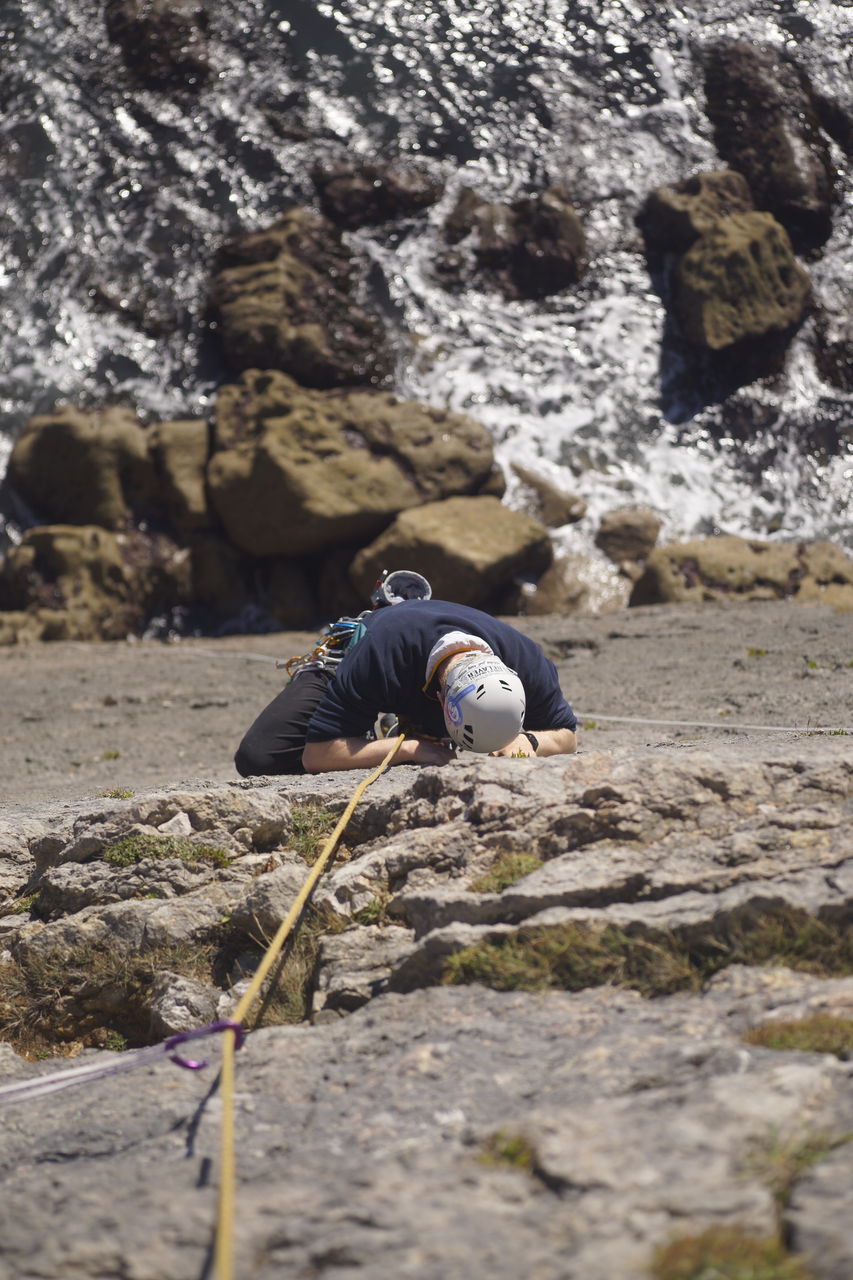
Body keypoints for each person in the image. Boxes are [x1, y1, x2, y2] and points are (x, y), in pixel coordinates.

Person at [235, 593, 577, 776]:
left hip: (418, 659)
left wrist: (528, 740)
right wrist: (410, 749)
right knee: (260, 758)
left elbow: (566, 735)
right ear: (441, 700)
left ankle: (396, 724)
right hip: (362, 653)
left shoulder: (527, 661)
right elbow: (317, 754)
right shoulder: (381, 658)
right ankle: (389, 723)